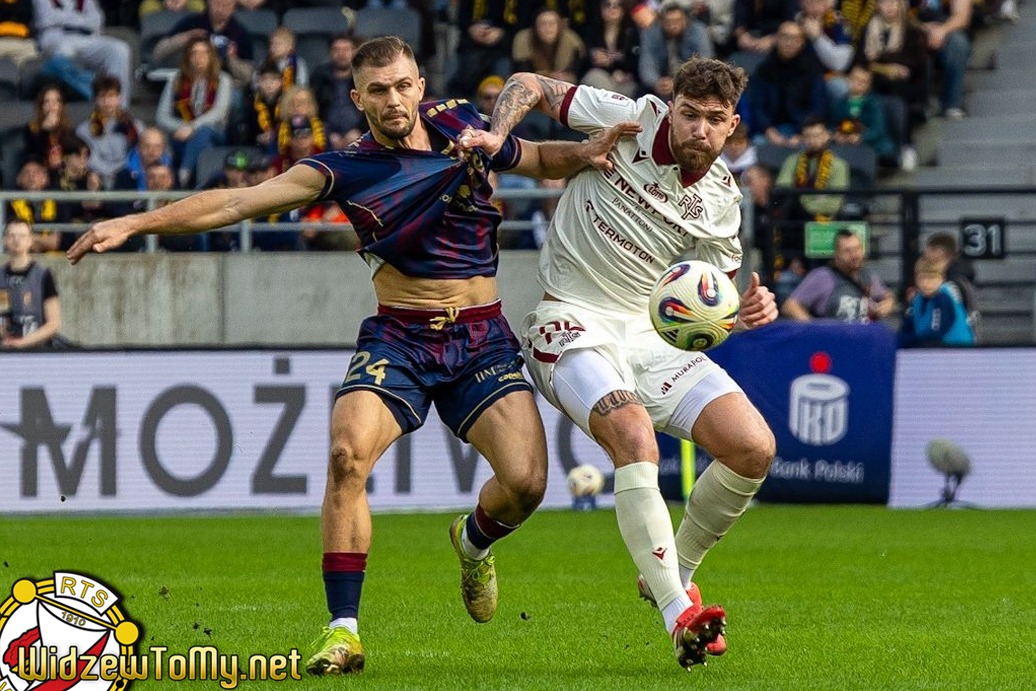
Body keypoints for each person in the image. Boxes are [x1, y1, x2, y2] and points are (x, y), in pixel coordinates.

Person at [66, 35, 639, 676]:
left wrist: (583, 152)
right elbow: (236, 201)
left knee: (528, 484)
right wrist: (134, 224)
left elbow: (532, 157)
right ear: (356, 96)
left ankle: (473, 541)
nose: (393, 100)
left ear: (420, 85)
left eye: (402, 85)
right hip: (399, 336)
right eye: (378, 90)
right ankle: (343, 631)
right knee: (346, 456)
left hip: (482, 336)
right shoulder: (344, 168)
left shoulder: (463, 122)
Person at [459, 56, 779, 670]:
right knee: (633, 434)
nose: (699, 131)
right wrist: (499, 134)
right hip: (571, 320)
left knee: (752, 447)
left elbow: (712, 305)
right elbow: (531, 84)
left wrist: (744, 312)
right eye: (689, 115)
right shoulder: (629, 120)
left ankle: (675, 571)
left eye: (715, 121)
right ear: (672, 105)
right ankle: (678, 613)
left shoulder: (721, 202)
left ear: (732, 126)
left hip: (647, 334)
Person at [156, 35, 233, 188]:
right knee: (203, 146)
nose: (199, 57)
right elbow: (161, 116)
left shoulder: (223, 79)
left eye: (204, 53)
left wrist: (192, 128)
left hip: (215, 132)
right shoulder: (176, 80)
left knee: (204, 131)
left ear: (211, 57)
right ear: (188, 56)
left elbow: (219, 113)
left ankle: (183, 175)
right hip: (182, 134)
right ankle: (200, 187)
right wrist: (181, 128)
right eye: (194, 53)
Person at [31, 0, 133, 107]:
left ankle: (118, 109)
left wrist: (66, 18)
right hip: (57, 36)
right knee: (63, 54)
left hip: (87, 38)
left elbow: (97, 21)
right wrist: (81, 19)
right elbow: (46, 19)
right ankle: (92, 92)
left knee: (119, 49)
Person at [781, 227, 895, 321]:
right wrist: (813, 329)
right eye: (847, 251)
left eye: (857, 249)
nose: (854, 255)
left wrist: (886, 305)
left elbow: (888, 296)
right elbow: (790, 306)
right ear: (836, 255)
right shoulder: (823, 276)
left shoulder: (868, 276)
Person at [1, 220, 62, 350]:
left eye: (22, 236)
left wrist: (22, 343)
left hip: (37, 352)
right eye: (12, 235)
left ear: (30, 240)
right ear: (4, 240)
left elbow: (54, 323)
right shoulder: (1, 276)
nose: (16, 240)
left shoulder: (43, 275)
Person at [75, 75, 144, 188]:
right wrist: (107, 172)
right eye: (102, 96)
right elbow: (89, 157)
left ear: (119, 98)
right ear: (95, 99)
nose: (107, 102)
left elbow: (137, 154)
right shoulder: (83, 130)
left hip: (129, 177)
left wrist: (120, 172)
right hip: (98, 178)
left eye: (111, 96)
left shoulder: (136, 127)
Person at [638, 2, 714, 99]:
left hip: (691, 82)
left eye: (677, 21)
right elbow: (647, 63)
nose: (673, 25)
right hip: (661, 82)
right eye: (668, 21)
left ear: (685, 20)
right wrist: (656, 82)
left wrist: (678, 82)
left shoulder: (699, 32)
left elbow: (704, 64)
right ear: (661, 22)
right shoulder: (651, 34)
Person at [899, 254, 974, 346]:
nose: (925, 283)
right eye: (921, 278)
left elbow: (936, 332)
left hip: (957, 351)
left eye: (932, 278)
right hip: (932, 351)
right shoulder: (917, 300)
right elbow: (907, 328)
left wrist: (910, 339)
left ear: (942, 279)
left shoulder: (944, 298)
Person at [310, 33, 365, 151]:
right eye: (337, 50)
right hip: (326, 135)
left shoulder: (364, 76)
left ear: (354, 51)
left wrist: (359, 130)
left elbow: (371, 108)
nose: (341, 54)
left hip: (359, 133)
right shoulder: (319, 77)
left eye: (346, 49)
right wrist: (327, 132)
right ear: (330, 53)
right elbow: (312, 110)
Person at [22, 85, 76, 174]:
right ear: (41, 106)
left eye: (56, 101)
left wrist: (57, 128)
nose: (52, 105)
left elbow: (73, 150)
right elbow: (33, 153)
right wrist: (46, 128)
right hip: (41, 171)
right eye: (47, 101)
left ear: (61, 105)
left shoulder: (67, 129)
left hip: (64, 172)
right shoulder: (31, 128)